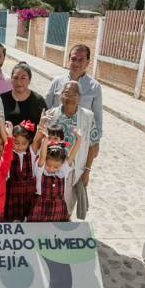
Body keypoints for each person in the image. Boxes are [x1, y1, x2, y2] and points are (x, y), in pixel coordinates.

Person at [44, 81, 100, 218]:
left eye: (74, 94)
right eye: (66, 93)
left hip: (74, 171)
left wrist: (86, 171)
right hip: (51, 169)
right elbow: (42, 141)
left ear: (79, 97)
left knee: (67, 209)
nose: (70, 97)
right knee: (48, 207)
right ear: (60, 96)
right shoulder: (51, 114)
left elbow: (93, 145)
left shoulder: (88, 117)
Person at [45, 44, 103, 139]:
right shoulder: (57, 81)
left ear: (88, 62)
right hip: (55, 137)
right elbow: (45, 108)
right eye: (73, 59)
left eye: (81, 60)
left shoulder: (94, 87)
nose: (76, 63)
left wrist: (96, 141)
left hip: (80, 138)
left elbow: (97, 117)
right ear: (68, 60)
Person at [28, 127, 81, 223]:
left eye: (55, 167)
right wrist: (45, 141)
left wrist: (78, 140)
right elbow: (43, 157)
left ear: (61, 164)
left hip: (58, 208)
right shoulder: (41, 170)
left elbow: (71, 155)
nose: (51, 169)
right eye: (49, 166)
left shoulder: (63, 171)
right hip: (41, 207)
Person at [4, 120, 38, 221]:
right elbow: (5, 137)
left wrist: (43, 121)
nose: (20, 146)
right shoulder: (9, 152)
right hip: (13, 191)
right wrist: (2, 123)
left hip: (28, 192)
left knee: (27, 217)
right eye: (16, 142)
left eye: (24, 143)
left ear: (29, 143)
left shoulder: (31, 153)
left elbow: (37, 140)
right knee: (12, 217)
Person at [0, 61, 47, 129]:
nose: (19, 82)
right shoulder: (2, 99)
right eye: (15, 78)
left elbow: (44, 127)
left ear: (29, 80)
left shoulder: (38, 101)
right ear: (11, 80)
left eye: (23, 78)